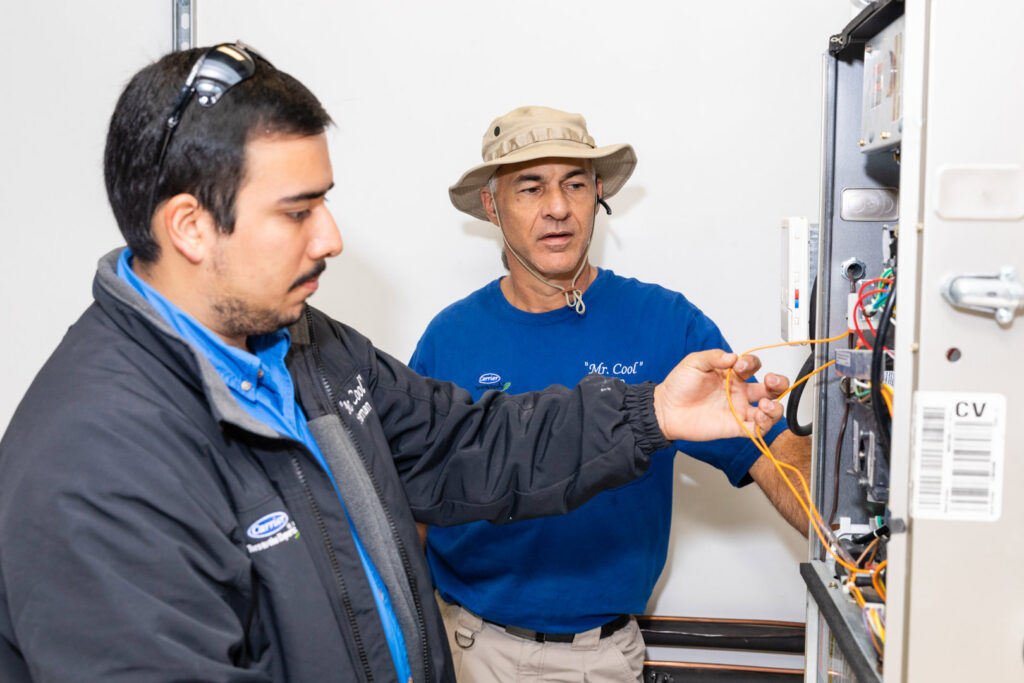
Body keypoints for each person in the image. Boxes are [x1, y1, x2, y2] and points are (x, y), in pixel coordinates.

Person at [0, 47, 787, 683]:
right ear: (192, 228)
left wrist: (651, 413)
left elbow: (464, 445)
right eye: (299, 211)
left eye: (325, 202)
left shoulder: (311, 348)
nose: (331, 237)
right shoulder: (92, 463)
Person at [409, 106, 812, 682]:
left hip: (599, 659)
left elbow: (775, 451)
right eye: (531, 187)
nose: (558, 208)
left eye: (575, 183)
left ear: (598, 193)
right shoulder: (450, 339)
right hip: (469, 648)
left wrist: (865, 552)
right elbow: (408, 502)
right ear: (492, 205)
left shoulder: (665, 324)